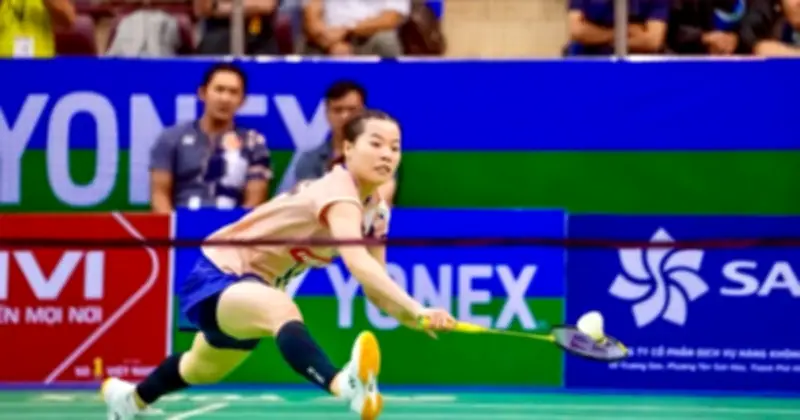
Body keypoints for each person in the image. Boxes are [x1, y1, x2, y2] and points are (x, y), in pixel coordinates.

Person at [102, 109, 456, 420]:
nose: (387, 154)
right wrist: (414, 307)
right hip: (221, 273)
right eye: (376, 144)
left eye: (395, 147)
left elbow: (375, 283)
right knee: (281, 310)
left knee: (200, 368)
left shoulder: (376, 212)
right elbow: (358, 263)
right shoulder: (338, 190)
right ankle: (344, 385)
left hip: (256, 289)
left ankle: (129, 399)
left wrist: (417, 317)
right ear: (348, 149)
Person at [149, 63, 272, 213]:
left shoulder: (254, 143)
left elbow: (255, 202)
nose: (225, 98)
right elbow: (159, 196)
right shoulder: (171, 137)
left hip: (234, 224)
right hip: (182, 222)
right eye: (219, 90)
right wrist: (176, 226)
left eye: (233, 92)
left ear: (242, 101)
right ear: (202, 93)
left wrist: (235, 227)